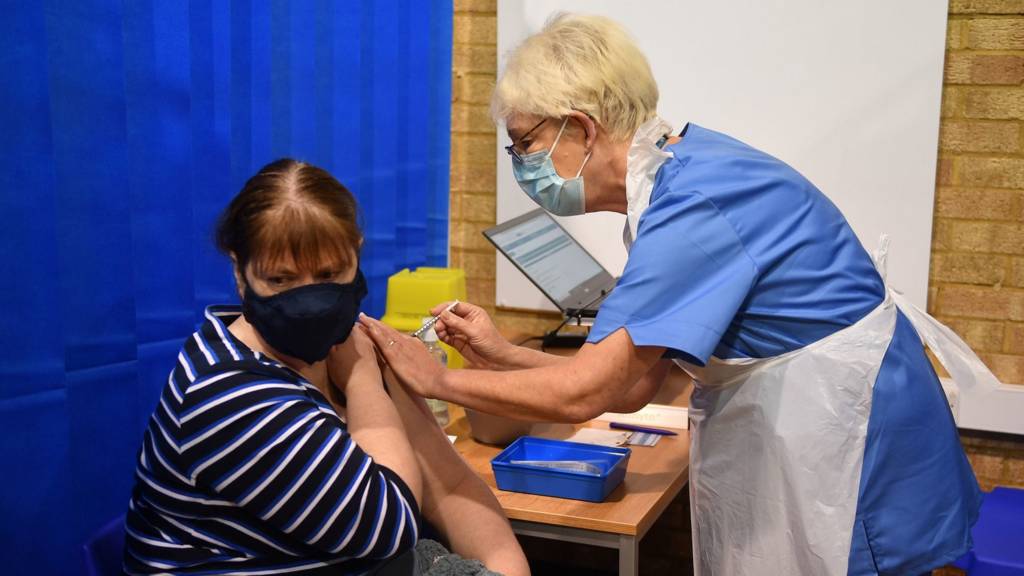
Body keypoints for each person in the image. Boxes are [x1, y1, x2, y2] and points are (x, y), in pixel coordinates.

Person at [359, 13, 992, 576]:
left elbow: (593, 390)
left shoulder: (693, 207)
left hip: (847, 433)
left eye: (525, 144)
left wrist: (436, 380)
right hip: (821, 409)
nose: (522, 164)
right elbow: (635, 383)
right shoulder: (681, 174)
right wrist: (498, 352)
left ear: (579, 127)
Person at [123, 159, 528, 576]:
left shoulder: (349, 343)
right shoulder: (228, 396)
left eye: (329, 273)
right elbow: (390, 527)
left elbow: (452, 487)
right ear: (239, 270)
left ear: (357, 252)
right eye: (280, 280)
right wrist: (363, 382)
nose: (309, 300)